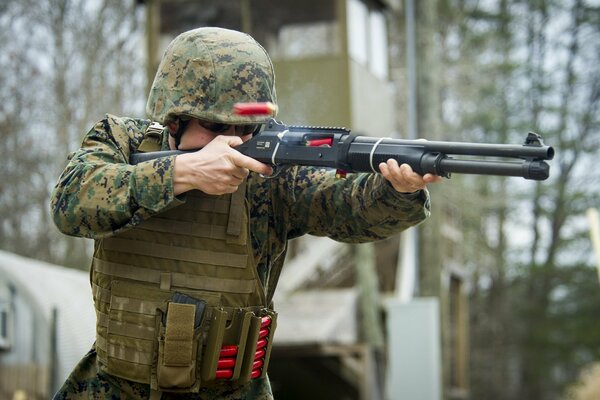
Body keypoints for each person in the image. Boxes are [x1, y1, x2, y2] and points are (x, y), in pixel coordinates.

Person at [50, 27, 439, 400]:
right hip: (114, 388)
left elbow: (347, 207)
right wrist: (181, 174)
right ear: (174, 118)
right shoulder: (121, 141)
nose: (234, 141)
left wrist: (395, 190)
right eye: (216, 125)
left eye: (247, 127)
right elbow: (71, 203)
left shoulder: (270, 174)